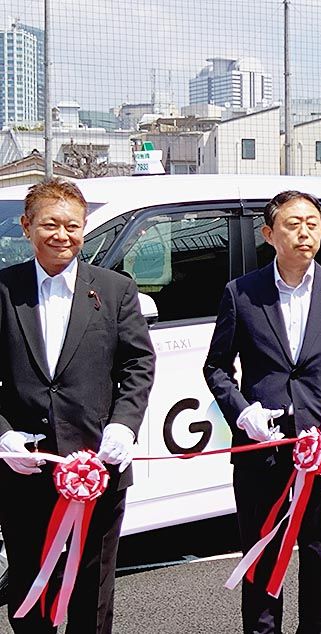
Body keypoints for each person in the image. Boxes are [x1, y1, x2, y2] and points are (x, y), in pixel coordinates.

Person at [203, 190, 321, 634]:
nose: (304, 233)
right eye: (293, 224)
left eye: (312, 224)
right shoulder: (241, 293)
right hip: (262, 449)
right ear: (268, 233)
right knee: (262, 556)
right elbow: (216, 367)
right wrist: (243, 413)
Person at [0, 178, 155, 634]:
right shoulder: (5, 289)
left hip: (96, 465)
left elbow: (138, 364)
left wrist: (124, 425)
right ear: (26, 227)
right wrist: (2, 433)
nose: (62, 235)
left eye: (72, 226)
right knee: (29, 580)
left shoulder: (114, 288)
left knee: (94, 583)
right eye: (50, 224)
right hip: (26, 465)